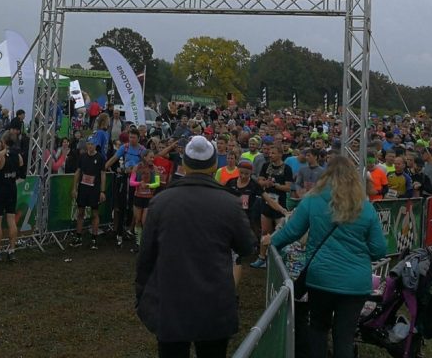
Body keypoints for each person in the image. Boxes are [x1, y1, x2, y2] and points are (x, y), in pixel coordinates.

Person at [136, 135, 256, 358]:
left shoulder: (161, 201)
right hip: (214, 304)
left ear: (185, 164)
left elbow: (145, 257)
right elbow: (247, 246)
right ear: (214, 165)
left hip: (171, 302)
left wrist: (141, 298)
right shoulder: (230, 203)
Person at [270, 155, 386, 358]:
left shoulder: (312, 200)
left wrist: (271, 243)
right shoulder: (365, 207)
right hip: (356, 283)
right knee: (344, 337)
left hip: (321, 277)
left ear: (326, 174)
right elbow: (379, 250)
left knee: (318, 328)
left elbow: (291, 232)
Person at [0, 132, 24, 262]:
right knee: (11, 220)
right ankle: (12, 250)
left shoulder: (0, 155)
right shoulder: (18, 156)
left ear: (3, 142)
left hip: (0, 190)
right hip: (12, 189)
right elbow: (21, 171)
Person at [71, 135, 106, 249]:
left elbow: (103, 174)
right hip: (83, 188)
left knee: (94, 213)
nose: (90, 146)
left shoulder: (100, 158)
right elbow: (78, 172)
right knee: (80, 212)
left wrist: (102, 191)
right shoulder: (82, 157)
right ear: (86, 145)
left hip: (94, 189)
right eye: (88, 144)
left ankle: (94, 239)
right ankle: (78, 237)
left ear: (95, 145)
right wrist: (74, 188)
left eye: (92, 144)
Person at [129, 152, 161, 251]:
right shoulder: (137, 167)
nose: (152, 159)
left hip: (148, 198)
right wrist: (139, 183)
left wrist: (148, 185)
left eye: (153, 157)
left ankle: (146, 243)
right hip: (138, 197)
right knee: (138, 220)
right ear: (144, 157)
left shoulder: (155, 169)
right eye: (150, 157)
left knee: (144, 221)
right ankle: (138, 243)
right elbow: (131, 182)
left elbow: (157, 183)